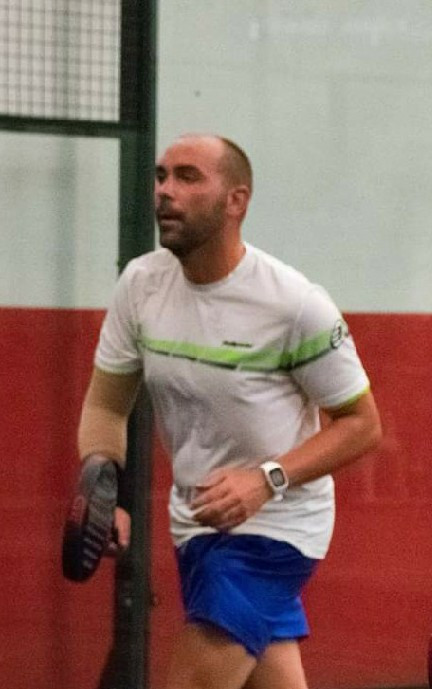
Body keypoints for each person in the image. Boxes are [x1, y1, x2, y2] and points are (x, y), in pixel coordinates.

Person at [77, 133, 382, 689]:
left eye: (188, 177)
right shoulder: (140, 286)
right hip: (197, 522)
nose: (165, 191)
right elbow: (106, 403)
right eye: (161, 176)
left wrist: (267, 479)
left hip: (280, 528)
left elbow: (363, 426)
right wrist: (107, 493)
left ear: (236, 200)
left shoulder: (295, 304)